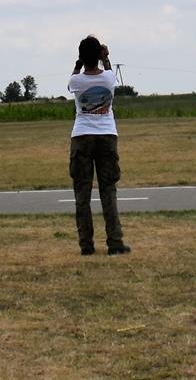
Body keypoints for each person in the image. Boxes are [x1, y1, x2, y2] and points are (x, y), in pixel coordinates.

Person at [68, 35, 131, 256]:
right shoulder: (108, 78)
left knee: (82, 193)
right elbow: (110, 73)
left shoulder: (76, 82)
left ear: (81, 57)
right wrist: (106, 58)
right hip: (106, 135)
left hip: (81, 136)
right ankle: (115, 242)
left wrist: (78, 64)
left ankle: (86, 244)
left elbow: (72, 79)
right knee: (108, 190)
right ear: (98, 56)